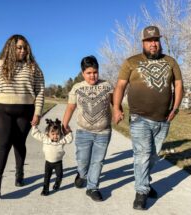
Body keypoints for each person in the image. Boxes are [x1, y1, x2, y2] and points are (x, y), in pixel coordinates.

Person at [113, 26, 183, 210]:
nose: (153, 44)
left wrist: (175, 108)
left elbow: (178, 84)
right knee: (142, 155)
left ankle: (144, 182)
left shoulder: (171, 62)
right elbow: (120, 86)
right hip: (139, 118)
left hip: (163, 119)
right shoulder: (131, 62)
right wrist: (117, 107)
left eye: (156, 40)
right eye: (149, 40)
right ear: (143, 42)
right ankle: (141, 192)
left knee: (153, 156)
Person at [0, 34, 45, 199]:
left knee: (19, 144)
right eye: (19, 47)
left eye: (25, 48)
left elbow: (39, 92)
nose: (23, 50)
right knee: (3, 144)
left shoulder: (34, 67)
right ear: (11, 48)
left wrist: (38, 112)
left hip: (26, 111)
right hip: (2, 111)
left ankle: (19, 172)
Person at [62, 55, 114, 202]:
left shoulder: (107, 85)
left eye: (95, 72)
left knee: (97, 161)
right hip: (83, 132)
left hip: (103, 132)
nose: (93, 75)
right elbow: (70, 107)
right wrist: (64, 124)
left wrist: (118, 110)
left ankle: (92, 187)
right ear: (83, 73)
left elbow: (115, 102)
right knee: (83, 160)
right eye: (89, 73)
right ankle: (82, 174)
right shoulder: (77, 88)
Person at [31, 118, 73, 196]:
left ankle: (57, 183)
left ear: (60, 134)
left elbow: (69, 139)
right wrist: (34, 126)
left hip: (58, 163)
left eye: (57, 134)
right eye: (53, 134)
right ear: (48, 133)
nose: (55, 136)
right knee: (47, 177)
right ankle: (45, 189)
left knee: (59, 175)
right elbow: (36, 134)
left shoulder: (61, 140)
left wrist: (69, 131)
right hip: (48, 163)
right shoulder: (45, 139)